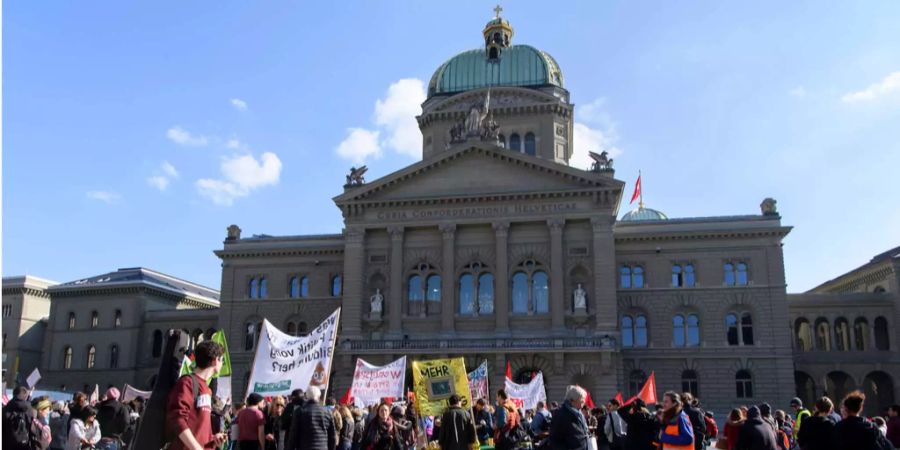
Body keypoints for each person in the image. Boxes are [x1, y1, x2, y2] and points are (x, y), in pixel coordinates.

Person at [165, 340, 228, 450]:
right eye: (221, 360)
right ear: (215, 361)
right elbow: (177, 419)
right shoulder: (187, 382)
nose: (222, 364)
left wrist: (213, 438)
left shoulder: (207, 390)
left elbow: (198, 428)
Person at [547, 385, 591, 450]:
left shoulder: (579, 413)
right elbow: (555, 439)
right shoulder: (561, 414)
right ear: (573, 400)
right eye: (582, 399)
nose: (584, 401)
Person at [4, 385, 38, 450]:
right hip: (25, 445)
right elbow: (34, 432)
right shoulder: (32, 412)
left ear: (13, 394)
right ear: (26, 397)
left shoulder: (4, 410)